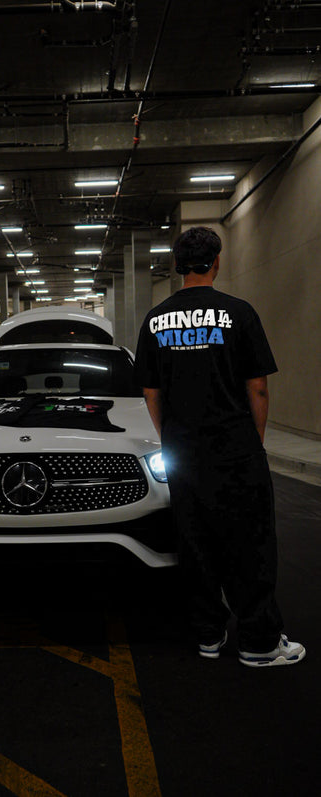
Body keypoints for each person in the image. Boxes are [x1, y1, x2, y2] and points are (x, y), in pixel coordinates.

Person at [134, 226, 305, 667]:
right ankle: (259, 644)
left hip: (183, 454)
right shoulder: (239, 313)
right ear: (216, 261)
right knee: (250, 545)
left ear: (177, 265)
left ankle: (208, 635)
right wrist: (253, 442)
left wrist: (172, 436)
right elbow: (258, 387)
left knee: (195, 545)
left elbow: (151, 393)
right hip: (235, 449)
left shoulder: (154, 320)